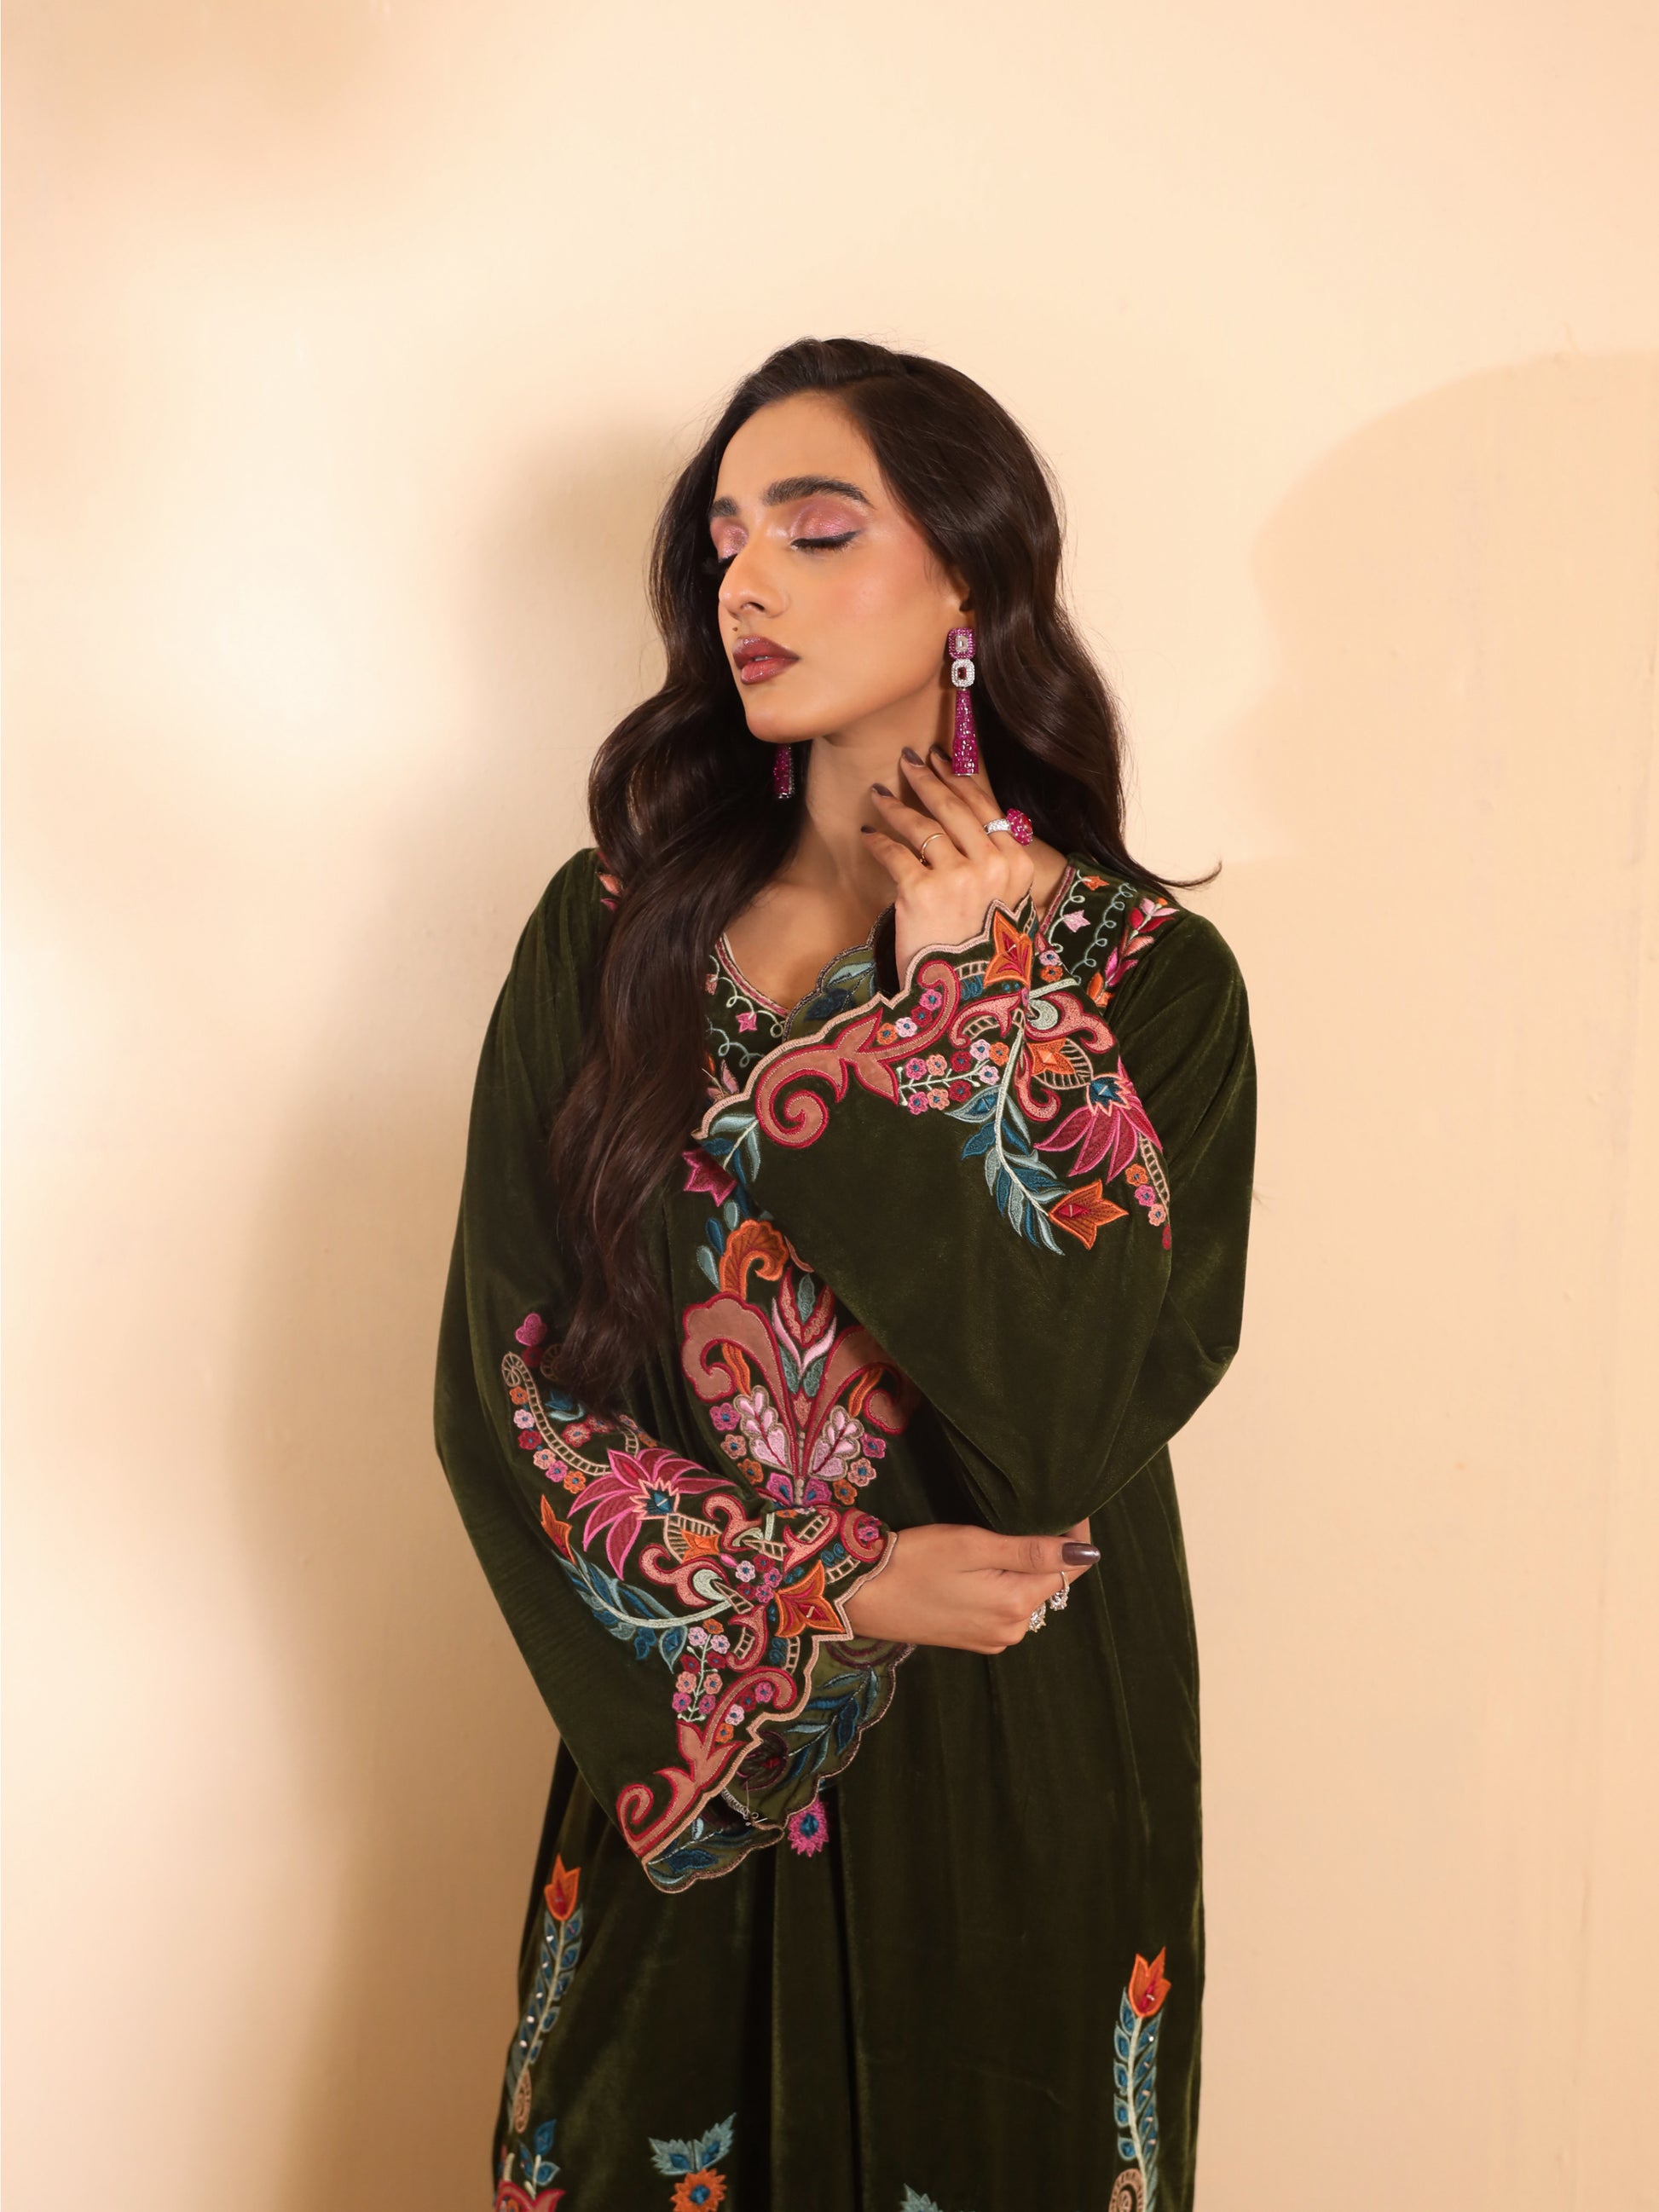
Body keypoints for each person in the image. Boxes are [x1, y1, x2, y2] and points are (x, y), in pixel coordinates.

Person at [433, 335, 1256, 2212]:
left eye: (815, 531)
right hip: (700, 1748)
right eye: (723, 540)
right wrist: (828, 1589)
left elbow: (1061, 1427)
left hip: (1010, 1749)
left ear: (971, 580)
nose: (748, 583)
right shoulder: (611, 937)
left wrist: (971, 1005)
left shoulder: (1148, 985)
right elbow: (509, 1381)